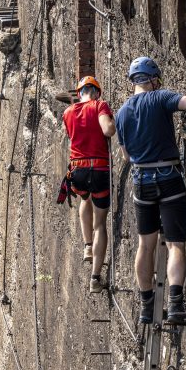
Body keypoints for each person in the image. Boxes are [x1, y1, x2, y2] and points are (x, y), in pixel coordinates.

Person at [114, 57, 186, 324]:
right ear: (153, 78)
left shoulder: (121, 114)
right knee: (176, 243)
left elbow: (126, 156)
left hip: (141, 181)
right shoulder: (160, 97)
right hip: (168, 177)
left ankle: (146, 306)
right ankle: (175, 304)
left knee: (146, 244)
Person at [62, 76, 115, 293]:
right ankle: (95, 277)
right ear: (95, 92)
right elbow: (108, 130)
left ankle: (87, 246)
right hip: (99, 169)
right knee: (100, 224)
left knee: (85, 198)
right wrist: (113, 120)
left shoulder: (67, 113)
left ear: (80, 92)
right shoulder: (99, 105)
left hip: (78, 171)